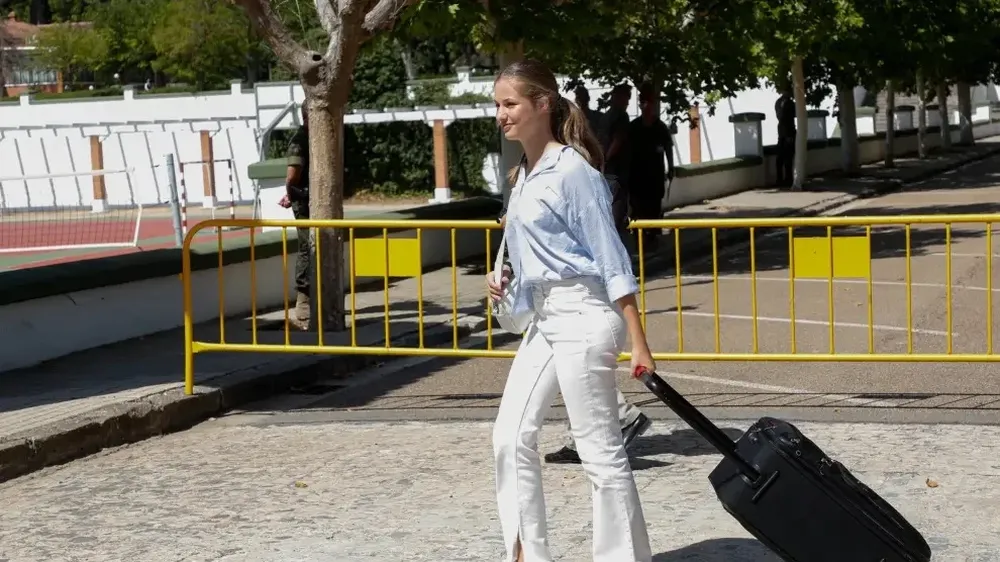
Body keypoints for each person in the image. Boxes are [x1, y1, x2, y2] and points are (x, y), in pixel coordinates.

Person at [487, 59, 656, 562]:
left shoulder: (574, 171)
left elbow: (609, 256)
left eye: (510, 103)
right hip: (543, 318)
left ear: (542, 104)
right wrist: (503, 280)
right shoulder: (521, 174)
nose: (501, 114)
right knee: (509, 436)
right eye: (497, 104)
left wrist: (639, 339)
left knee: (600, 452)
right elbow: (530, 253)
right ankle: (524, 556)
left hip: (585, 316)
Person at [626, 83, 674, 251]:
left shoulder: (660, 128)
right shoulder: (634, 127)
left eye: (649, 102)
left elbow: (668, 148)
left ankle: (652, 238)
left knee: (654, 208)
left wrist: (672, 168)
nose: (646, 105)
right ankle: (641, 239)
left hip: (655, 176)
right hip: (637, 176)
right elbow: (627, 151)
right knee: (638, 208)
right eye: (643, 102)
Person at [278, 104, 312, 329]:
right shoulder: (300, 140)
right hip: (305, 201)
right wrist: (291, 193)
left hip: (309, 199)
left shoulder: (313, 137)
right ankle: (304, 304)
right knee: (306, 247)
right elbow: (292, 175)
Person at [775, 81, 796, 187]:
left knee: (788, 159)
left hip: (789, 132)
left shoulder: (791, 103)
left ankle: (788, 179)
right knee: (780, 159)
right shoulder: (779, 103)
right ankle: (780, 180)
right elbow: (780, 117)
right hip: (783, 133)